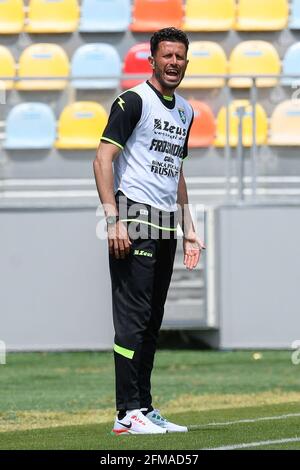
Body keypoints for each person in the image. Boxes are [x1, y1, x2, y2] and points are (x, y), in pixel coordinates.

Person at [93, 27, 205, 435]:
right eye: (167, 56)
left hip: (166, 223)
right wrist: (112, 219)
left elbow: (176, 170)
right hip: (133, 218)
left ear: (186, 62)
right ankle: (126, 412)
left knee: (152, 321)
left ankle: (144, 406)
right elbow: (102, 159)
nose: (173, 63)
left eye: (180, 57)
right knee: (133, 319)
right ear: (152, 60)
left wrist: (190, 228)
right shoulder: (132, 101)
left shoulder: (186, 111)